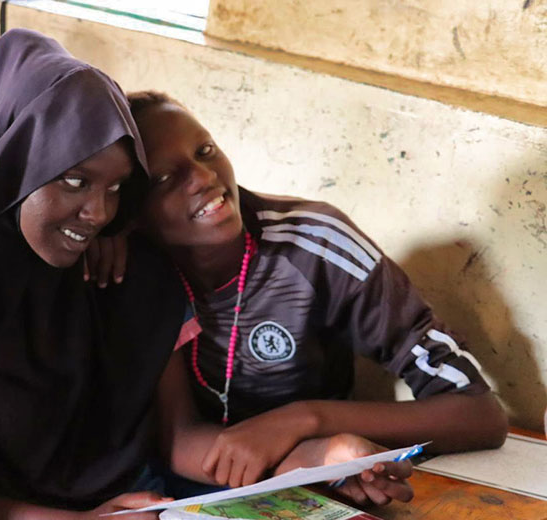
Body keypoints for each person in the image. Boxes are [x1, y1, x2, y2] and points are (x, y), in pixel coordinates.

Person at [0, 30, 411, 519]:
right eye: (75, 181)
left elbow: (182, 442)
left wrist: (319, 457)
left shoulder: (126, 279)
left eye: (117, 187)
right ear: (12, 162)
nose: (98, 213)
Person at [119, 90, 507, 498]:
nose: (203, 176)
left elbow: (479, 413)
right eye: (165, 178)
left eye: (206, 150)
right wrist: (312, 460)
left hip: (315, 485)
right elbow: (179, 441)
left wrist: (307, 420)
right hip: (205, 483)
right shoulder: (140, 273)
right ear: (131, 214)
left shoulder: (317, 248)